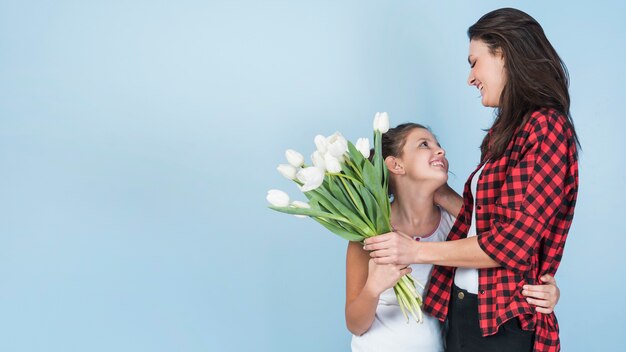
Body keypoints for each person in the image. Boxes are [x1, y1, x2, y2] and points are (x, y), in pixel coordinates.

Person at [363, 8, 579, 352]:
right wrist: (431, 189)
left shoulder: (546, 128)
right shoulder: (504, 131)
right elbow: (487, 221)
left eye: (473, 62)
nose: (470, 77)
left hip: (502, 322)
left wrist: (416, 250)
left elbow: (513, 242)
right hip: (464, 311)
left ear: (503, 55)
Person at [347, 123, 561, 352]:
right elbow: (355, 325)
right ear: (396, 164)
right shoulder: (371, 234)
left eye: (438, 145)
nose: (440, 151)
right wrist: (373, 288)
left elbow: (503, 245)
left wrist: (546, 290)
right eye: (424, 145)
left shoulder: (454, 227)